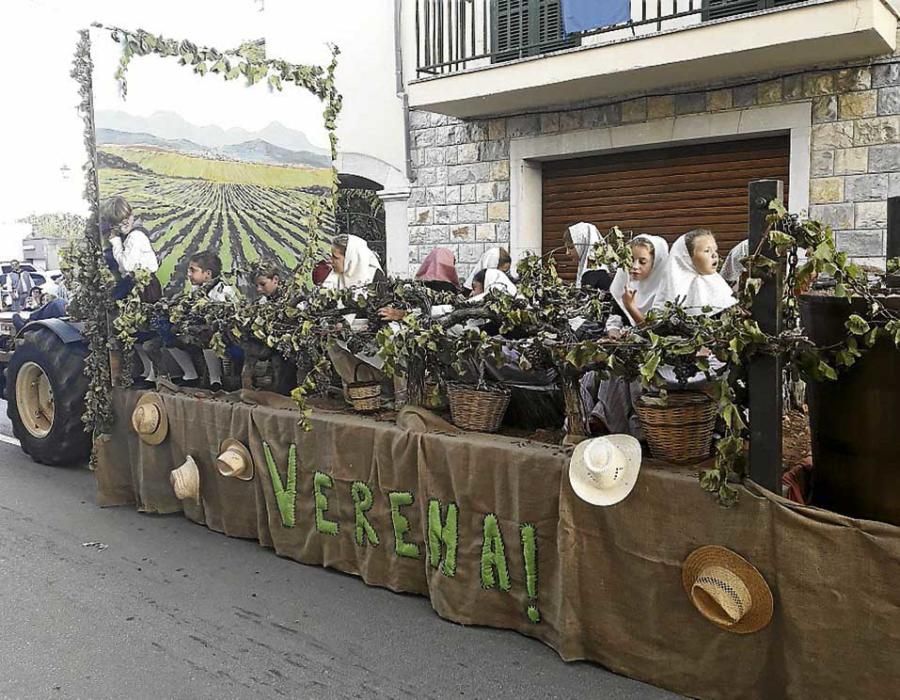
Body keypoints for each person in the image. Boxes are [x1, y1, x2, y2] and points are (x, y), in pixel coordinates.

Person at [166, 251, 237, 389]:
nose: (189, 274)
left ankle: (215, 380)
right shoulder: (196, 290)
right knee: (169, 335)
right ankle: (190, 374)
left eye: (193, 270)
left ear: (208, 274)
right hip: (198, 328)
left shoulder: (223, 291)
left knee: (206, 335)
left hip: (221, 332)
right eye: (188, 270)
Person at [652, 229, 736, 316]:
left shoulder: (717, 281)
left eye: (715, 250)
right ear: (687, 257)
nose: (714, 255)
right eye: (707, 251)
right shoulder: (674, 287)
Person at [100, 195, 163, 303]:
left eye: (125, 222)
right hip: (140, 283)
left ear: (131, 216)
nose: (122, 227)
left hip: (144, 287)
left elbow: (127, 265)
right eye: (117, 225)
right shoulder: (130, 235)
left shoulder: (135, 236)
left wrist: (116, 242)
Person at [607, 235, 670, 329]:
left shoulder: (665, 290)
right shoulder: (626, 282)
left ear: (656, 263)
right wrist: (613, 329)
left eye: (642, 262)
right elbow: (616, 312)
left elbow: (654, 331)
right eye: (631, 260)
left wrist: (630, 307)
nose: (635, 266)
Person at [563, 222, 609, 289]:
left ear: (583, 244)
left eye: (570, 247)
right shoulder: (602, 270)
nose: (567, 253)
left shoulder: (591, 275)